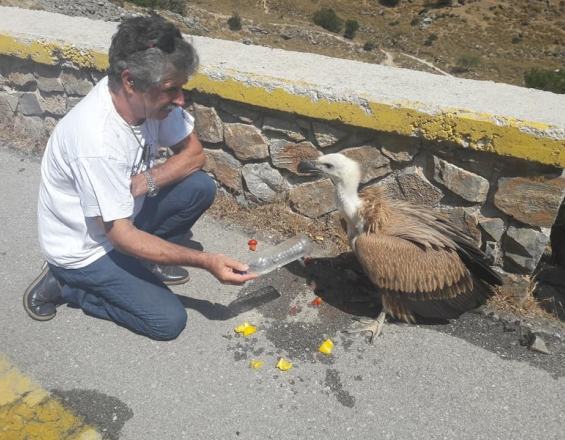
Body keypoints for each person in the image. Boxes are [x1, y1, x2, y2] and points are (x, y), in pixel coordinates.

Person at [23, 14, 256, 340]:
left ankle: (145, 263)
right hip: (86, 249)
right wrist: (205, 261)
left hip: (123, 217)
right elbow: (122, 237)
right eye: (171, 90)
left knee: (199, 187)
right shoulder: (96, 140)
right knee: (167, 321)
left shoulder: (149, 102)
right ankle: (68, 285)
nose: (180, 100)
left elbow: (194, 156)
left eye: (182, 88)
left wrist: (141, 182)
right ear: (130, 82)